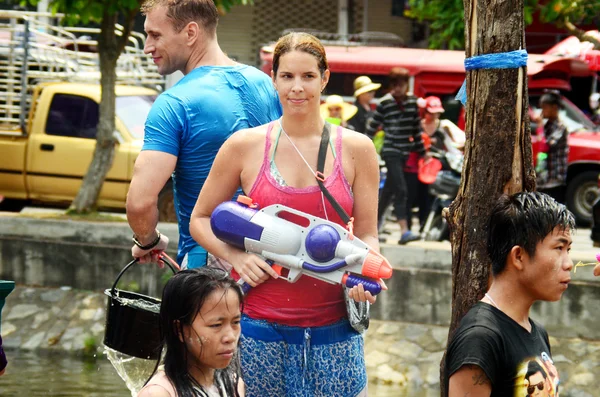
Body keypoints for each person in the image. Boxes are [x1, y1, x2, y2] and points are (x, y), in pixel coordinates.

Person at [189, 32, 380, 396]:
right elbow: (200, 218)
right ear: (273, 77)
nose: (297, 88)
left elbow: (368, 234)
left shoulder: (357, 149)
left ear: (324, 79)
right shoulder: (244, 146)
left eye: (308, 76)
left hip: (335, 331)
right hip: (259, 327)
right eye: (287, 76)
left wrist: (364, 272)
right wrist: (236, 257)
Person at [126, 0, 282, 269]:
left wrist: (148, 241)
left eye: (155, 35)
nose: (147, 47)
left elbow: (140, 202)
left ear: (190, 32)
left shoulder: (174, 103)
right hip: (273, 260)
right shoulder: (265, 85)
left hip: (207, 263)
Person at [445, 191, 574, 396]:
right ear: (519, 256)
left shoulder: (537, 332)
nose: (569, 264)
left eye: (568, 250)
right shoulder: (480, 338)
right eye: (559, 248)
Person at [138, 267, 244, 397]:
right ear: (179, 330)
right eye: (216, 325)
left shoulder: (233, 384)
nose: (231, 337)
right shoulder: (159, 393)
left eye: (236, 322)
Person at [366, 67, 428, 244]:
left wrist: (423, 153)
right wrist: (364, 150)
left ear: (406, 85)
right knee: (401, 190)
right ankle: (404, 231)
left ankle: (371, 229)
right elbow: (371, 128)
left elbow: (416, 131)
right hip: (390, 150)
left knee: (387, 193)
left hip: (404, 153)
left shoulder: (412, 104)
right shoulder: (385, 103)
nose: (398, 88)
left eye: (401, 84)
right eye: (395, 85)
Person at [535, 90, 569, 204]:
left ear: (554, 107)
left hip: (554, 180)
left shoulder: (560, 127)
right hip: (544, 179)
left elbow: (545, 146)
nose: (542, 111)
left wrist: (539, 126)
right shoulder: (547, 126)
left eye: (544, 107)